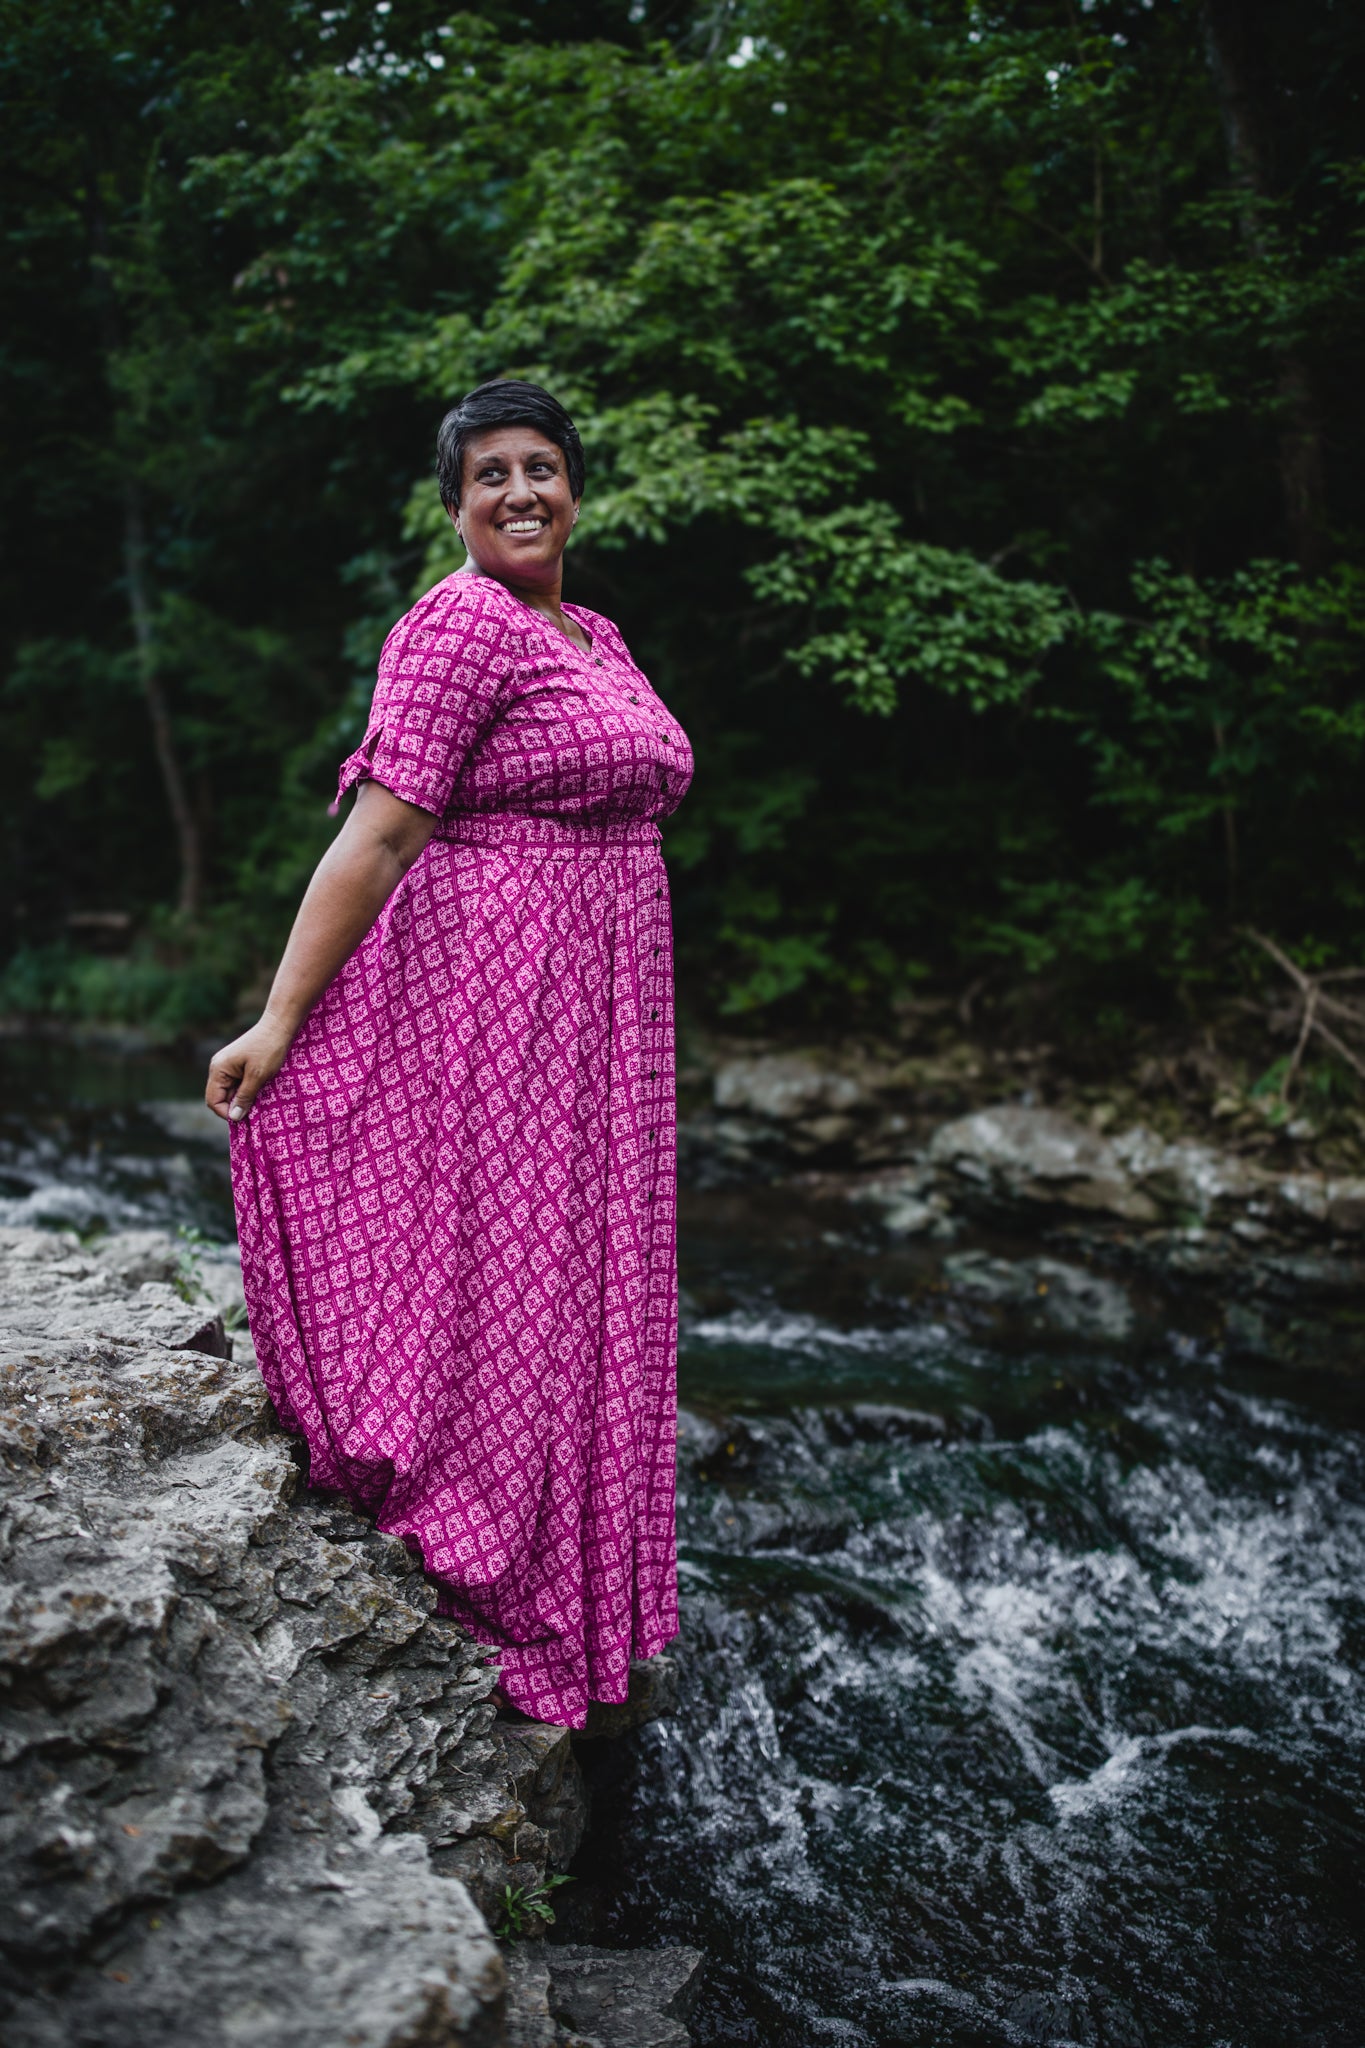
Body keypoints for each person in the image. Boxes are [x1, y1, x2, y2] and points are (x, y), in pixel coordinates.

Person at [206, 380, 692, 1727]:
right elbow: (376, 832)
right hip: (492, 988)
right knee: (508, 1261)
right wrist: (280, 1017)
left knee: (580, 1264)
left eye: (542, 467)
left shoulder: (589, 631)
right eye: (492, 475)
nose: (522, 492)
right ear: (456, 504)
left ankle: (575, 1562)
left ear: (576, 488)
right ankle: (487, 1534)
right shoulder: (459, 620)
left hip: (600, 1008)